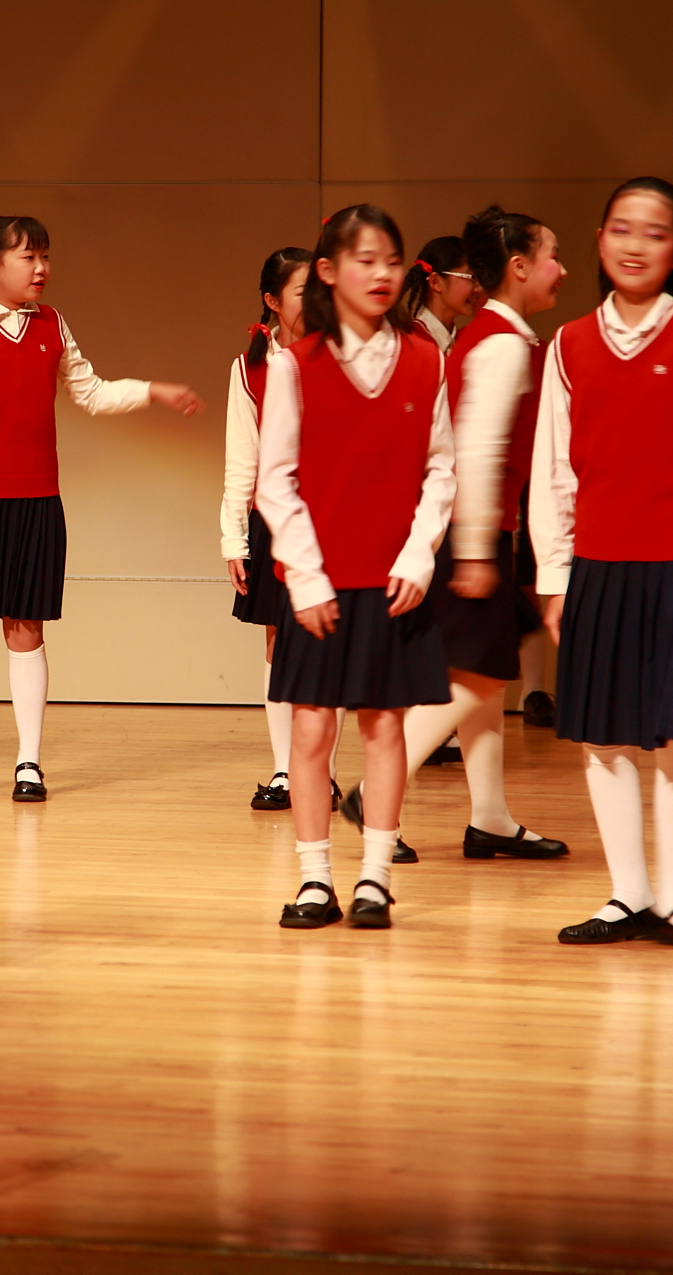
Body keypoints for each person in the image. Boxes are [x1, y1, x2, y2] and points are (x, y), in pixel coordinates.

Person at [530, 176, 673, 954]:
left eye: (654, 233)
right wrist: (555, 578)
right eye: (621, 229)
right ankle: (628, 893)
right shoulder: (568, 343)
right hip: (599, 565)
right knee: (605, 736)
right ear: (599, 239)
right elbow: (553, 471)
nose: (634, 245)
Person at [0, 216, 200, 802]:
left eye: (45, 257)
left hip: (38, 499)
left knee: (27, 629)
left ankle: (29, 762)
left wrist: (153, 390)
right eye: (29, 257)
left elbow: (90, 391)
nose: (41, 268)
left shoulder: (52, 324)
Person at [343, 205, 573, 864]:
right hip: (470, 532)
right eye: (553, 255)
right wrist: (474, 552)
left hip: (471, 530)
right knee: (477, 675)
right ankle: (371, 794)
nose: (562, 269)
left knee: (483, 676)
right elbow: (474, 450)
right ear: (519, 267)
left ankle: (491, 818)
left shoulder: (491, 335)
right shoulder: (501, 344)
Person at [257, 204, 453, 931]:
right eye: (364, 260)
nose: (380, 273)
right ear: (329, 272)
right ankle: (315, 880)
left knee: (384, 729)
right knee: (311, 733)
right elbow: (275, 480)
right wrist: (306, 577)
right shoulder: (294, 363)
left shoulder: (427, 358)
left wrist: (419, 554)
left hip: (394, 578)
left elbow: (441, 469)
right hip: (319, 580)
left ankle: (375, 877)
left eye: (391, 260)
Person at [222, 247, 309, 811]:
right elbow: (241, 459)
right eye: (302, 291)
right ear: (273, 302)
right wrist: (234, 537)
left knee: (326, 643)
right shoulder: (249, 366)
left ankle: (321, 772)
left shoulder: (340, 354)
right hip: (273, 521)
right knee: (278, 641)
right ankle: (285, 770)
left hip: (328, 517)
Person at [400, 235, 481, 354]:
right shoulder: (412, 343)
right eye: (472, 277)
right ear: (436, 282)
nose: (478, 288)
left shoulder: (461, 342)